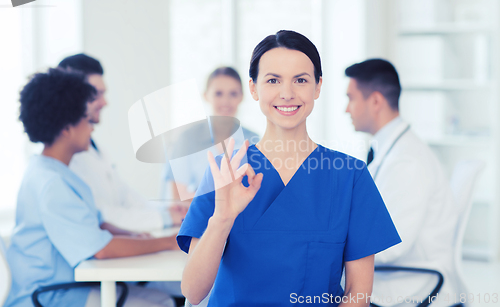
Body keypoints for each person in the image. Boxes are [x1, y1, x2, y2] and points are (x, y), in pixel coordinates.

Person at [177, 30, 401, 306]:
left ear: (317, 87)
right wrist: (222, 218)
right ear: (254, 88)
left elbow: (357, 293)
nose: (287, 93)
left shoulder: (350, 177)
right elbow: (193, 291)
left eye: (301, 80)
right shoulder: (225, 171)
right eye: (273, 80)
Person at [5, 68, 177, 307]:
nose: (92, 128)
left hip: (67, 286)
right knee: (162, 304)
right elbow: (102, 250)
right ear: (66, 129)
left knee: (164, 299)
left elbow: (96, 223)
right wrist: (168, 242)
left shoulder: (54, 171)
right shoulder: (52, 183)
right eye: (86, 120)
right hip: (51, 295)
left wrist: (131, 235)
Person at [345, 58, 461, 307]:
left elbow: (391, 245)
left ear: (375, 101)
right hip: (403, 276)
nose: (347, 109)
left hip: (411, 284)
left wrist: (336, 243)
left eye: (351, 98)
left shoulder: (407, 161)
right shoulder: (393, 149)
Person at [58, 53, 185, 232]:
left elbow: (124, 196)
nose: (104, 102)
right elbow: (100, 215)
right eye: (96, 94)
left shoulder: (94, 147)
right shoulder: (66, 155)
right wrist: (164, 218)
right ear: (73, 95)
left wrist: (163, 211)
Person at [161, 66, 259, 202]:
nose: (226, 101)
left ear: (241, 97)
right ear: (206, 96)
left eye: (233, 94)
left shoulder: (254, 140)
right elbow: (178, 199)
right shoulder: (187, 139)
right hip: (198, 219)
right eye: (218, 93)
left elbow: (257, 192)